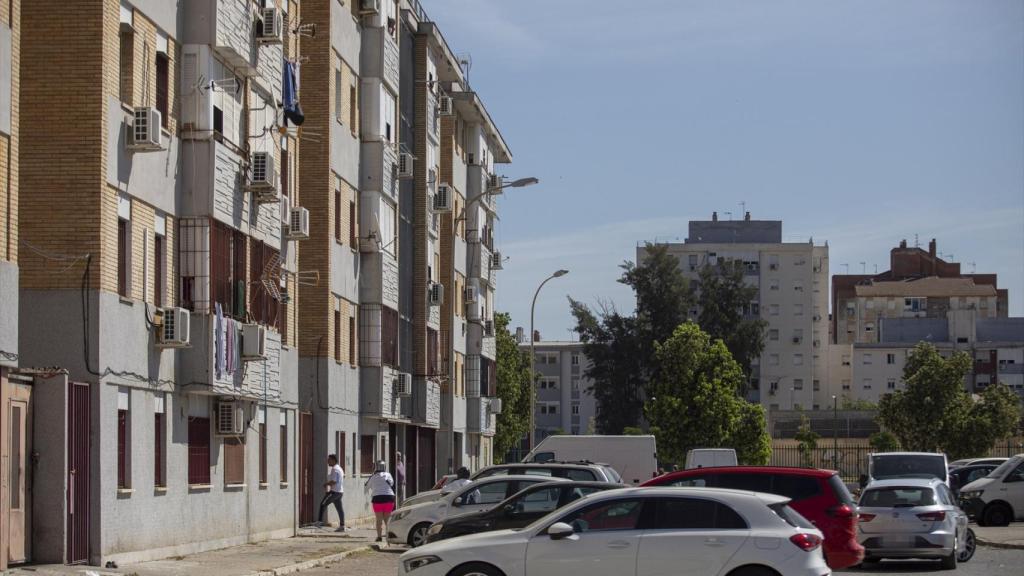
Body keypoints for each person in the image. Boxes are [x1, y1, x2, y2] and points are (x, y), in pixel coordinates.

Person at [365, 460, 396, 544]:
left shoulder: (373, 477)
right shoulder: (388, 475)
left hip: (377, 498)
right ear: (384, 467)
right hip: (389, 498)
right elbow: (391, 484)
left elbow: (367, 487)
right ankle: (388, 536)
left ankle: (379, 537)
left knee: (379, 519)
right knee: (387, 519)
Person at [317, 454, 345, 532]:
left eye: (329, 460)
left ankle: (319, 522)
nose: (327, 462)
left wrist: (326, 484)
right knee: (339, 509)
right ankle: (342, 526)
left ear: (333, 460)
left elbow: (334, 481)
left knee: (323, 504)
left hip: (335, 492)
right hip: (339, 492)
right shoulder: (339, 468)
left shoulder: (335, 469)